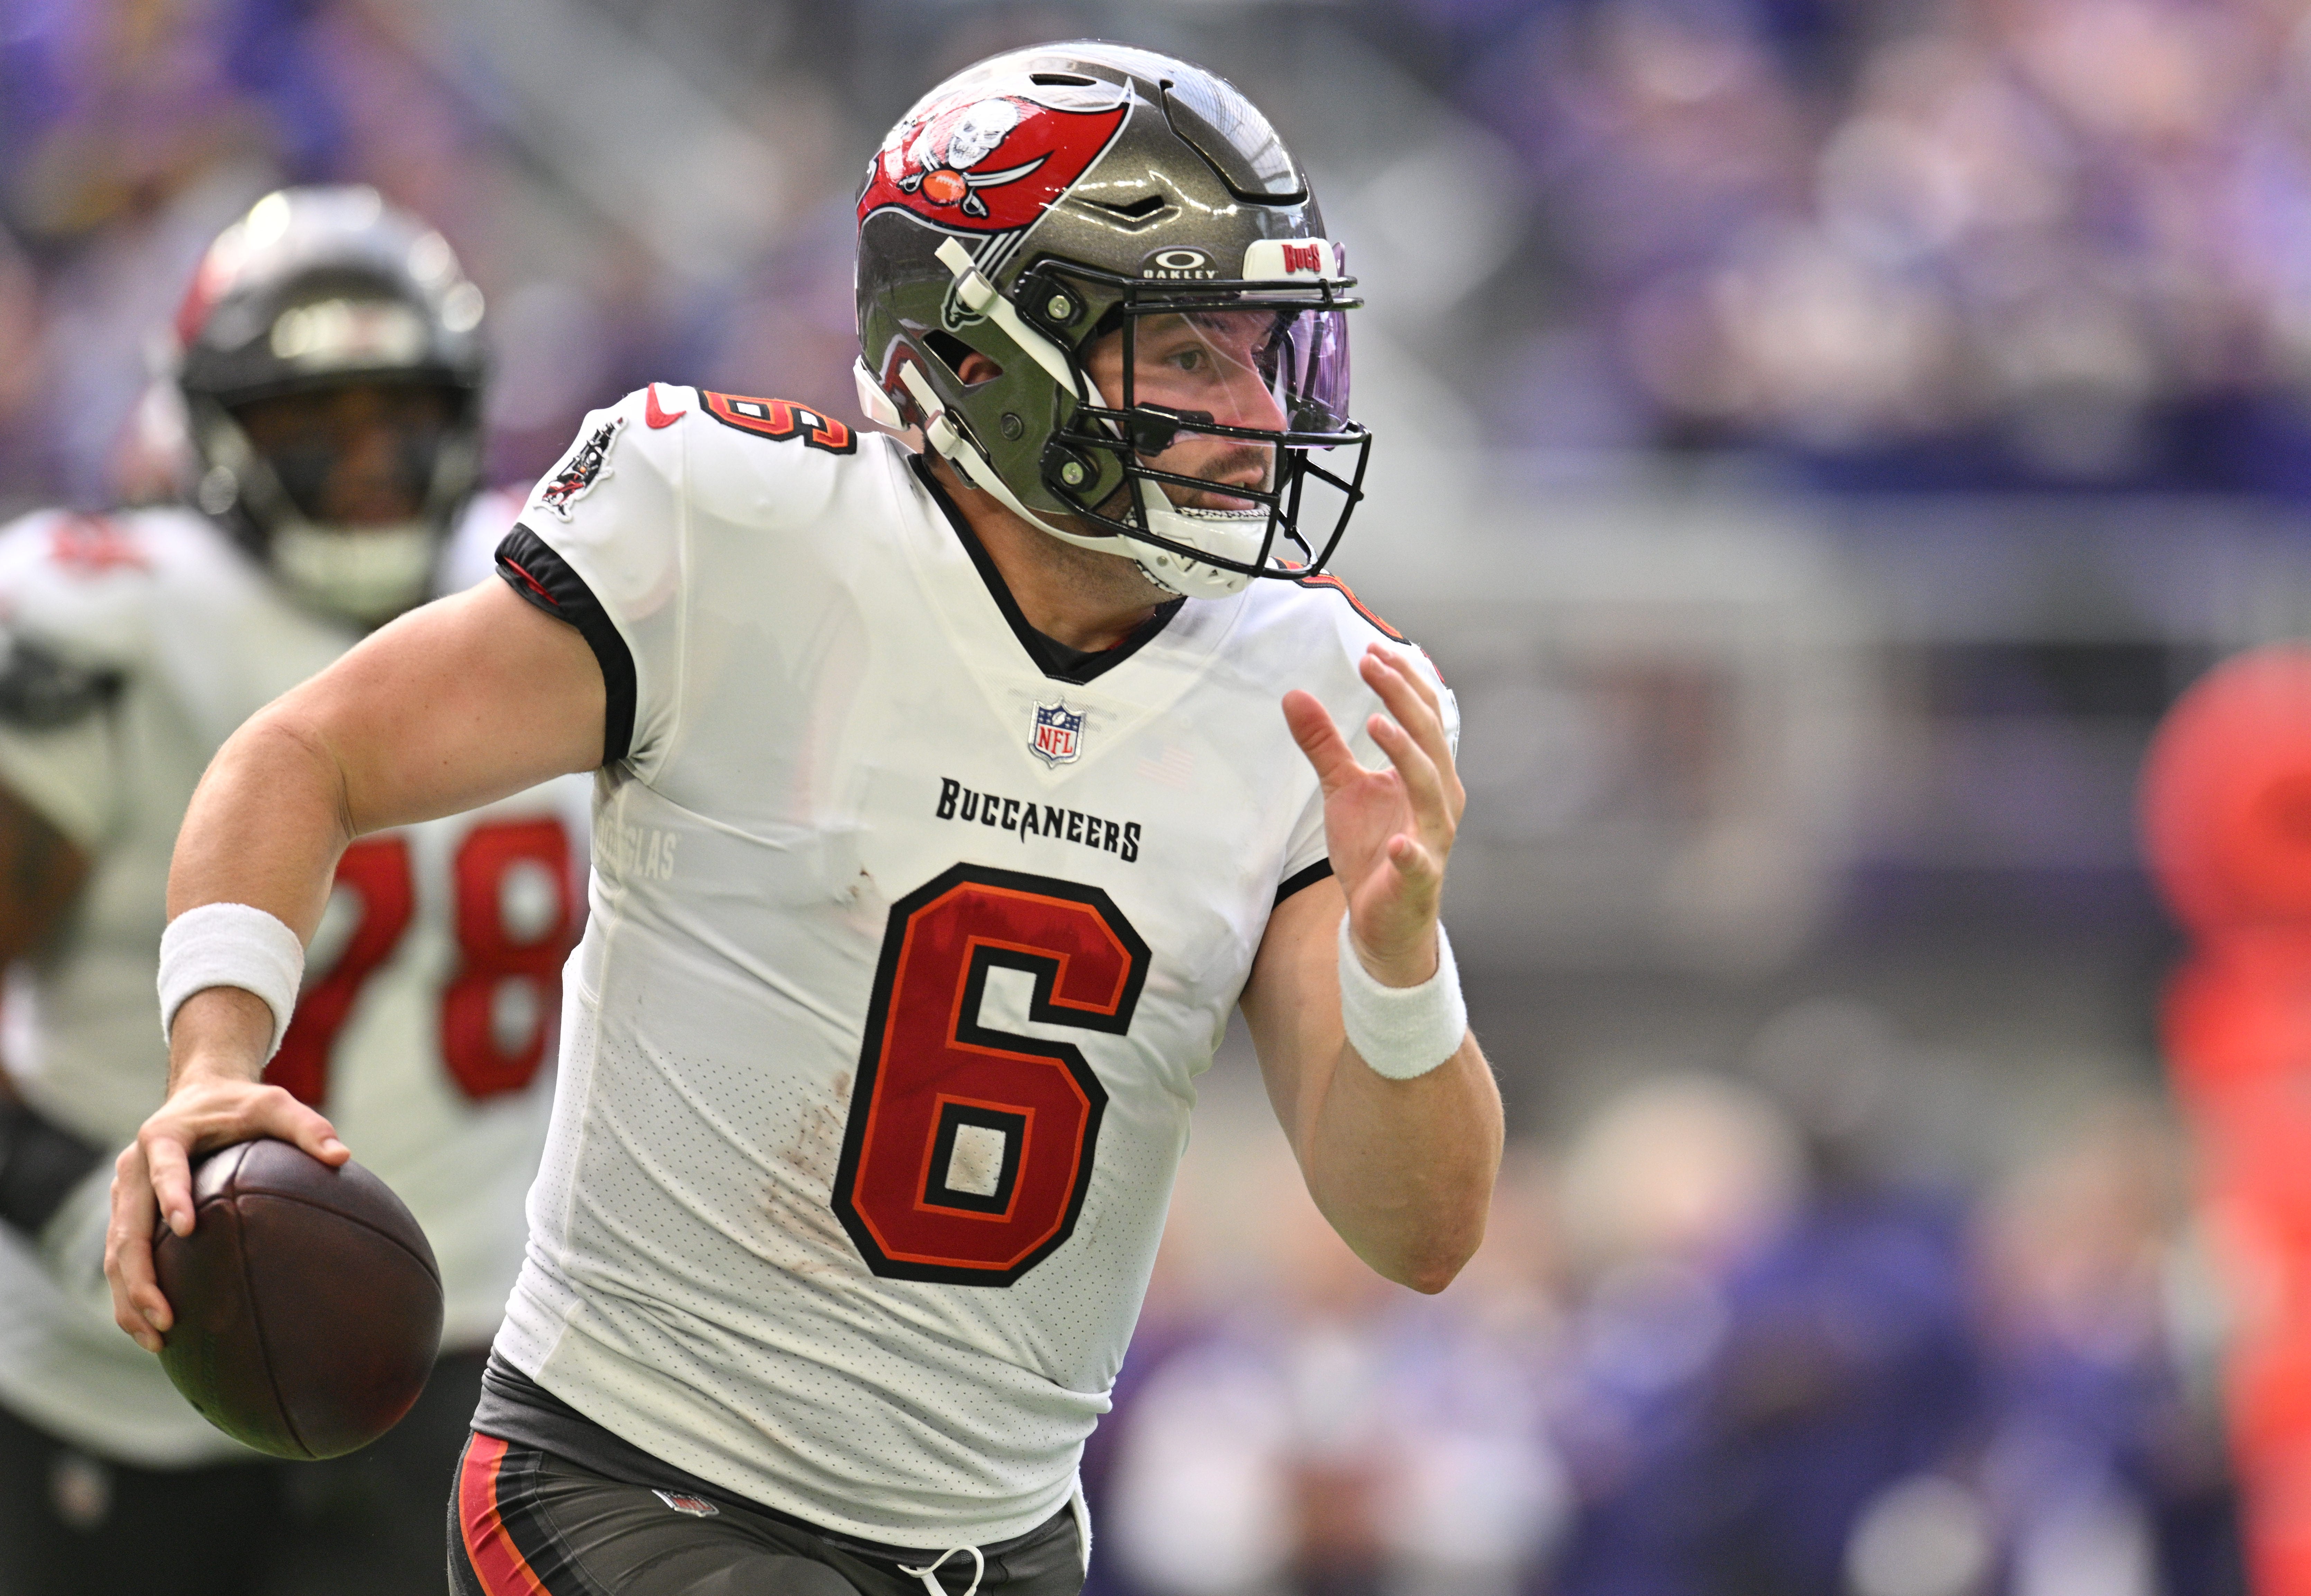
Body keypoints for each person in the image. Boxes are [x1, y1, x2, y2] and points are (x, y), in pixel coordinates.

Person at [105, 43, 1503, 1596]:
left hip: (1005, 1542)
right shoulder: (738, 535)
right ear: (981, 358)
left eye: (1261, 352)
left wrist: (1399, 963)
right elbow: (306, 753)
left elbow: (1421, 1231)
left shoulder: (1307, 686)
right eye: (1180, 353)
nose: (1254, 412)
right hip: (630, 1483)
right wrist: (214, 1065)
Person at [0, 184, 586, 1596]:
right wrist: (62, 1190)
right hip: (118, 1345)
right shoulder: (110, 615)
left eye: (403, 412)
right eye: (310, 421)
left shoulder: (563, 601)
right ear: (209, 425)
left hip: (455, 1344)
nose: (371, 462)